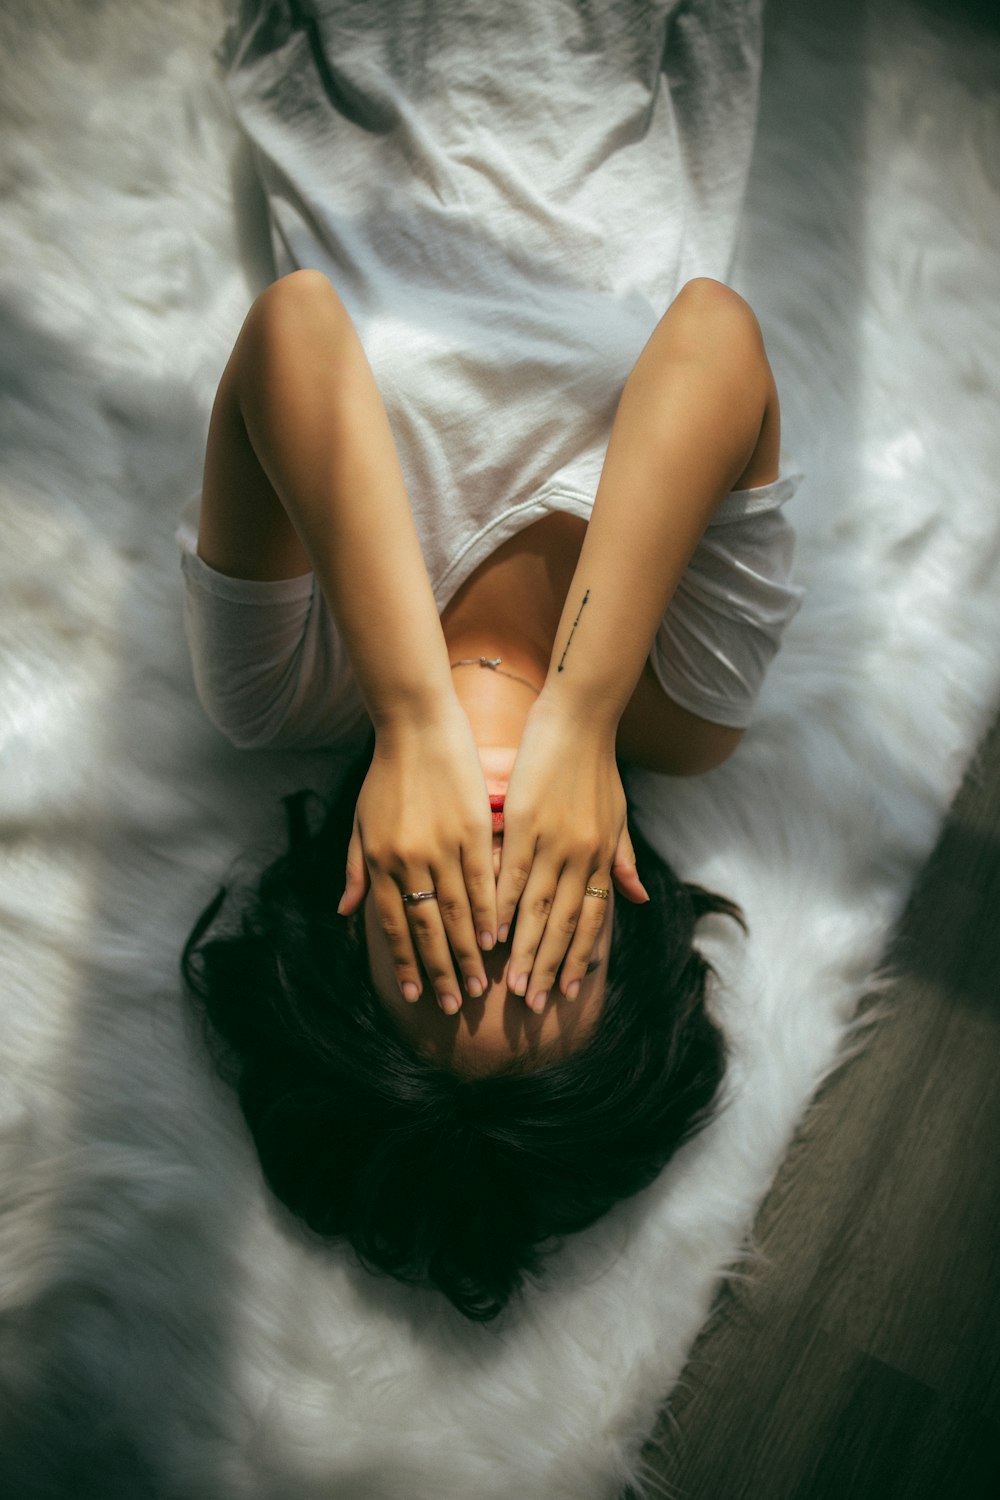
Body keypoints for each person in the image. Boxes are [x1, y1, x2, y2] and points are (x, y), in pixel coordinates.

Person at [177, 0, 802, 1319]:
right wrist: (581, 714)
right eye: (551, 952)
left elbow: (293, 330)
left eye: (451, 943)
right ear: (622, 923)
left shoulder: (281, 689)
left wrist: (410, 714)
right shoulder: (685, 712)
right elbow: (711, 337)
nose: (503, 887)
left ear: (349, 919)